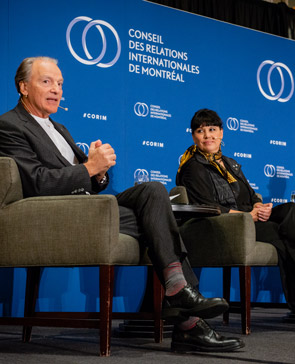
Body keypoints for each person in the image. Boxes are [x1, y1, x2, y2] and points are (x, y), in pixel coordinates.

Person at [0, 57, 245, 352]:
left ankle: (179, 293)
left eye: (60, 83)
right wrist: (89, 168)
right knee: (156, 224)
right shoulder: (10, 125)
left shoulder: (59, 127)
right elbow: (37, 182)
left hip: (91, 206)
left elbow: (86, 179)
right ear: (23, 86)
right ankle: (188, 319)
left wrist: (99, 174)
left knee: (153, 192)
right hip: (62, 214)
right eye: (46, 82)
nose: (56, 90)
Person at [176, 108, 295, 335]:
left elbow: (249, 197)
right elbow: (208, 207)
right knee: (290, 242)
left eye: (212, 129)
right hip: (226, 228)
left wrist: (259, 207)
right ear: (193, 137)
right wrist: (247, 216)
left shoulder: (230, 164)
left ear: (221, 133)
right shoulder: (192, 167)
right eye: (200, 131)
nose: (207, 135)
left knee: (289, 210)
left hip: (250, 222)